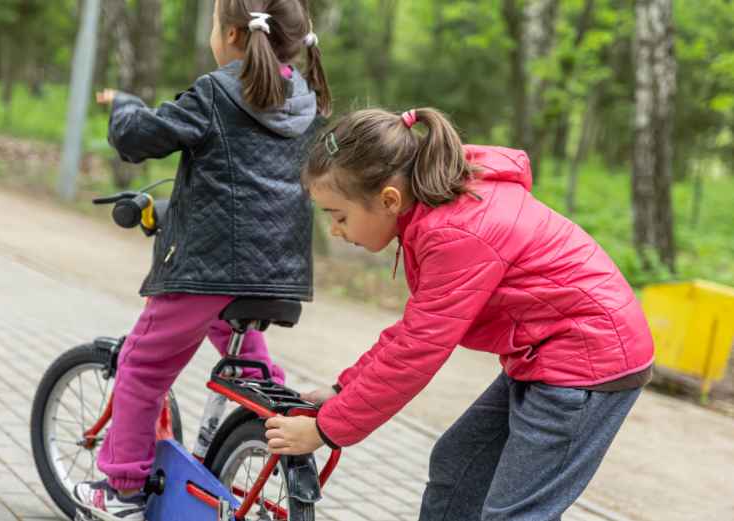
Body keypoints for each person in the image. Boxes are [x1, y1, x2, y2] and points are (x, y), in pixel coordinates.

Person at [265, 107, 653, 521]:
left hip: (587, 362)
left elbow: (415, 354)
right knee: (458, 470)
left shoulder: (455, 232)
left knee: (515, 514)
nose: (335, 230)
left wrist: (325, 430)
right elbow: (415, 332)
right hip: (548, 353)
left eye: (339, 216)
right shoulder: (437, 211)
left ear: (389, 199)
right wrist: (344, 389)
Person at [74, 1, 331, 519]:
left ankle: (122, 489)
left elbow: (138, 137)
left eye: (214, 24)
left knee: (142, 364)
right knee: (243, 356)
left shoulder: (216, 92)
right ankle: (262, 422)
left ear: (233, 35)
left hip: (209, 269)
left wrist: (124, 105)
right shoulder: (307, 102)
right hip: (278, 274)